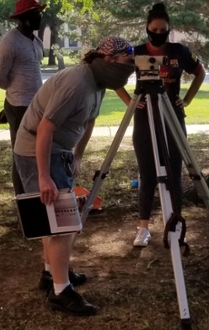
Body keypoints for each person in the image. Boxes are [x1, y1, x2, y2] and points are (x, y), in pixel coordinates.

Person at [14, 36, 136, 315]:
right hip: (37, 151)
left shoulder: (99, 83)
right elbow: (45, 128)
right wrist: (44, 177)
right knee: (64, 224)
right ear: (108, 61)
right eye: (127, 63)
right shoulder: (76, 84)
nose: (130, 69)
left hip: (57, 151)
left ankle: (50, 273)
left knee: (56, 221)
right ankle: (60, 291)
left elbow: (89, 121)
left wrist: (78, 154)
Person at [115, 2, 206, 247]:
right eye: (154, 29)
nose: (158, 33)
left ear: (168, 29)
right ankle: (143, 227)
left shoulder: (179, 51)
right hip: (145, 119)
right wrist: (130, 103)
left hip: (172, 118)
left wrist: (186, 100)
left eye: (163, 29)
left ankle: (175, 222)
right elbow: (114, 78)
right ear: (147, 28)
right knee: (147, 174)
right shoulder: (137, 52)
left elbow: (200, 73)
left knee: (174, 173)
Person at [0, 0, 46, 195]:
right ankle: (24, 202)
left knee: (38, 153)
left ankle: (38, 196)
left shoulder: (36, 40)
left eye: (40, 14)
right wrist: (15, 98)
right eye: (35, 15)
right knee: (21, 155)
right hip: (20, 107)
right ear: (23, 18)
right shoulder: (10, 43)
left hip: (37, 106)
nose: (39, 18)